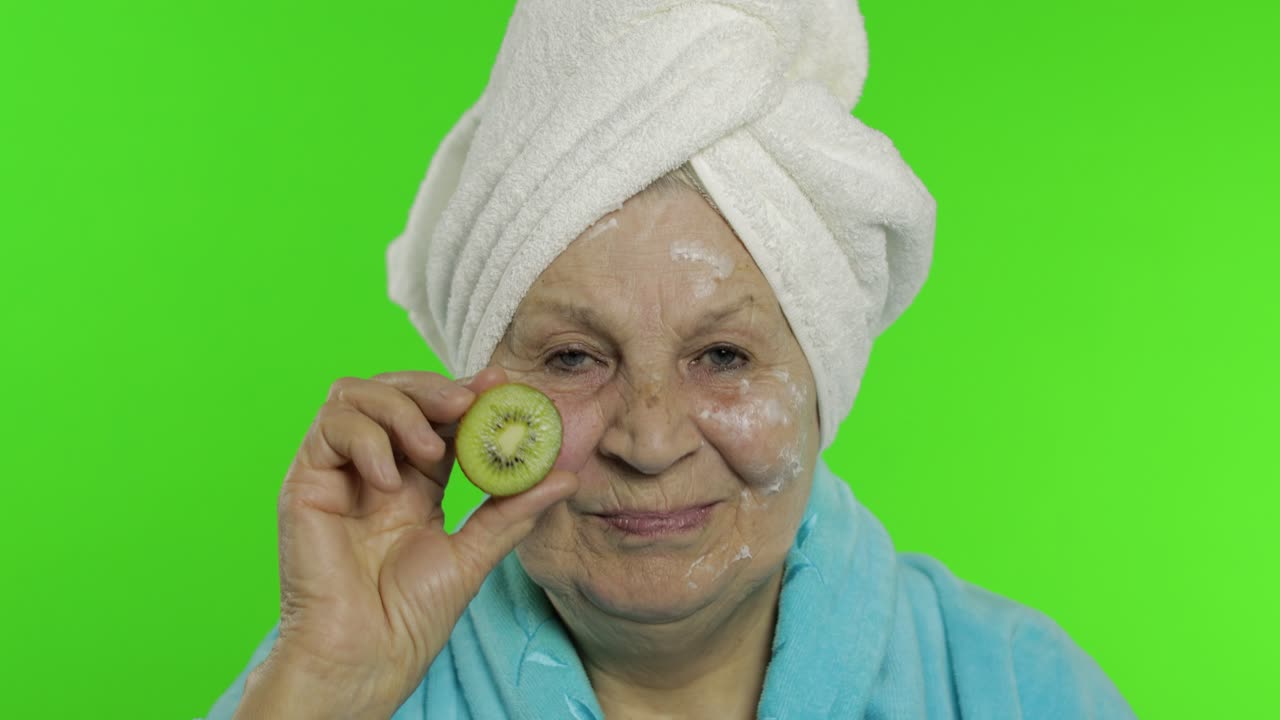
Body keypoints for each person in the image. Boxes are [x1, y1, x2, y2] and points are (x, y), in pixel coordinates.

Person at [206, 1, 1137, 718]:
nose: (649, 440)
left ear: (822, 384)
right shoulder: (329, 686)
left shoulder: (1017, 687)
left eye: (724, 355)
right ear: (475, 404)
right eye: (572, 358)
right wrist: (321, 689)